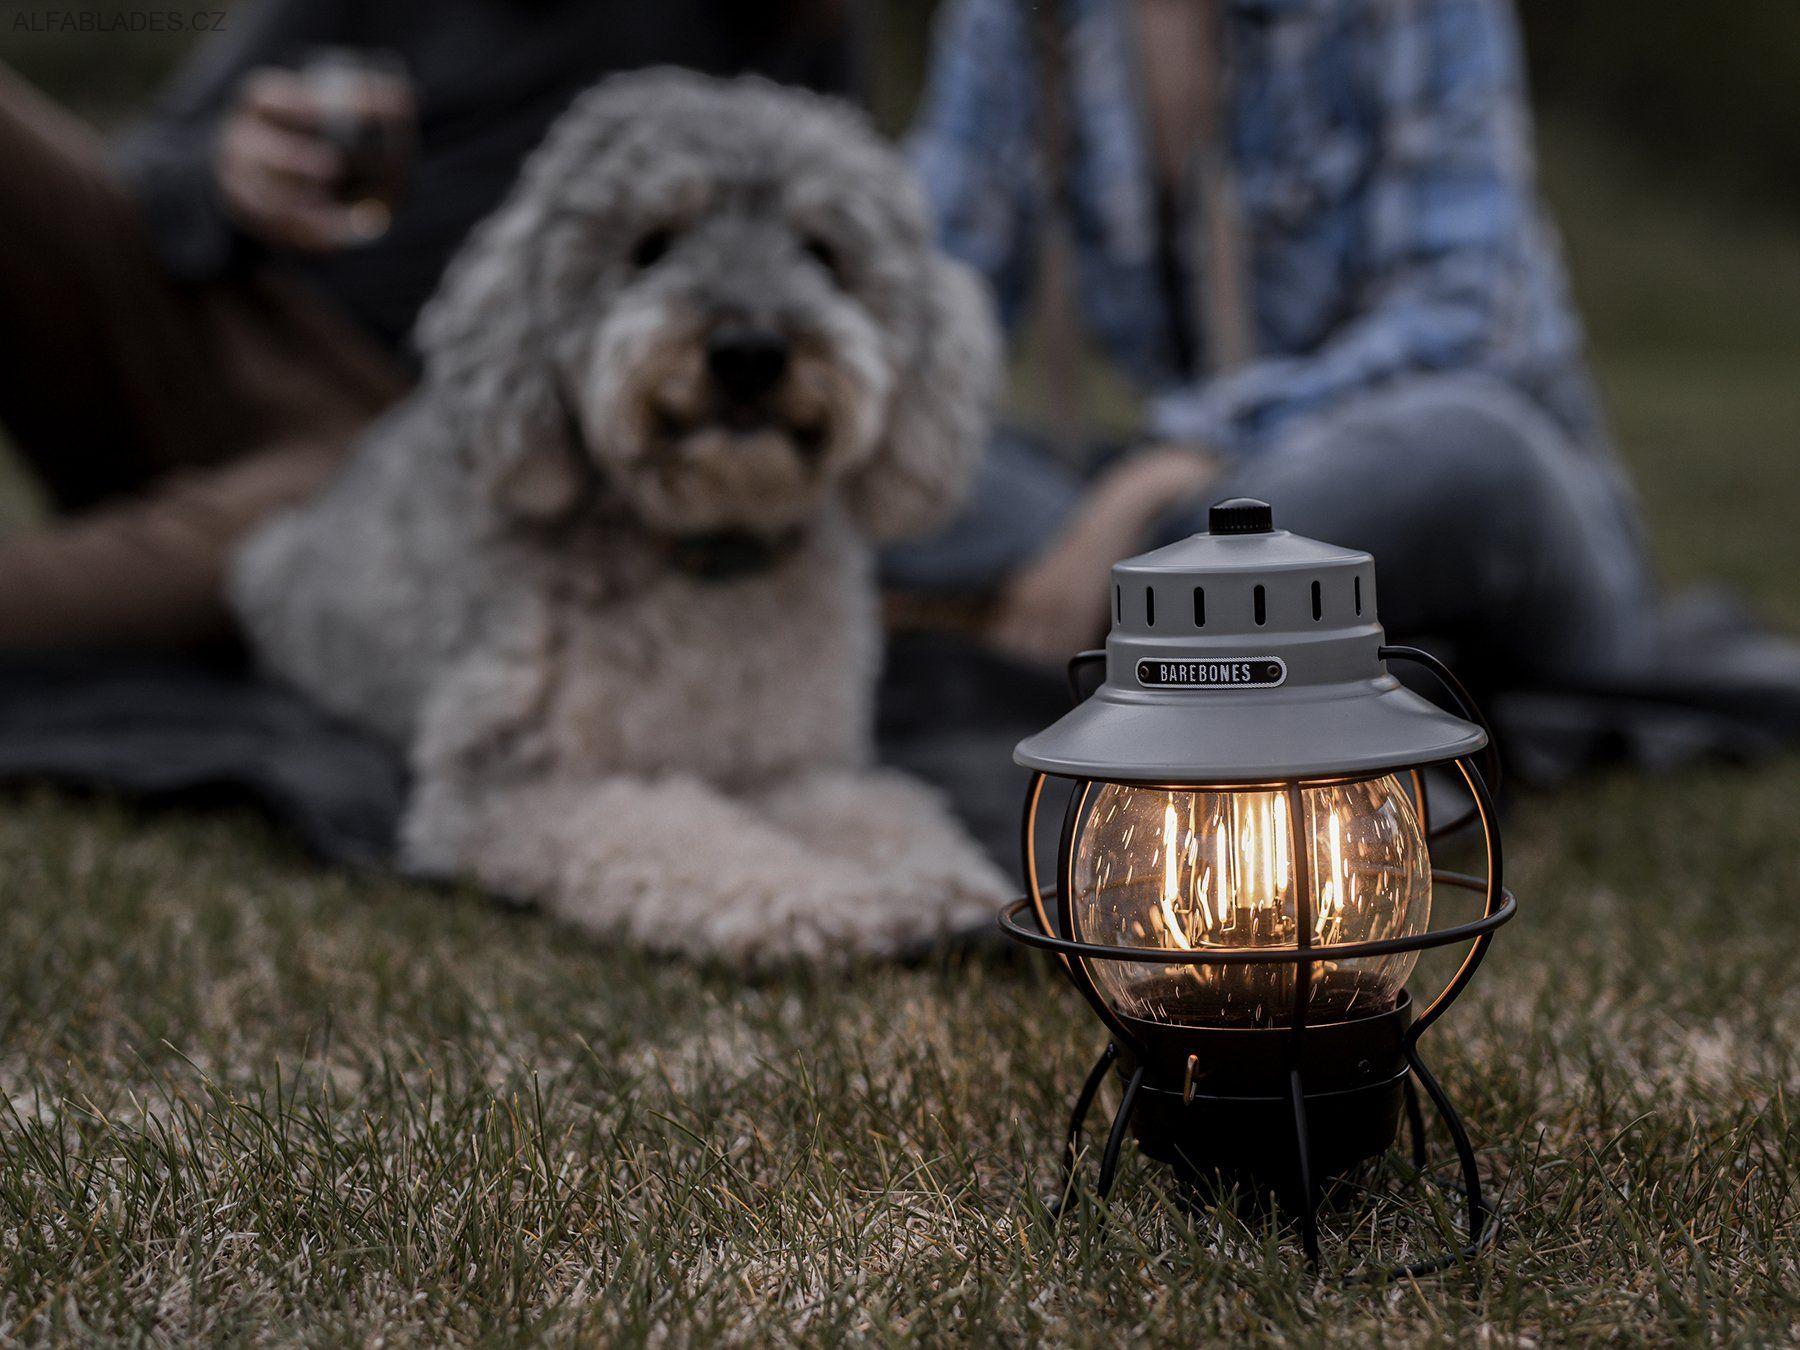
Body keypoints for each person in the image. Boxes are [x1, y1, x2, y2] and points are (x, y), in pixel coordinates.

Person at [890, 0, 1800, 742]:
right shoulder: (1020, 21)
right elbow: (929, 295)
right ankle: (1175, 611)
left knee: (1458, 452)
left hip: (1443, 487)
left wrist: (1153, 477)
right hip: (1212, 502)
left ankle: (1124, 611)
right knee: (868, 463)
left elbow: (1463, 320)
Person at [0, 0, 848, 649]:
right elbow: (145, 166)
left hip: (402, 439)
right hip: (194, 316)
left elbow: (826, 251)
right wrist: (218, 172)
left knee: (119, 591)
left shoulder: (767, 20)